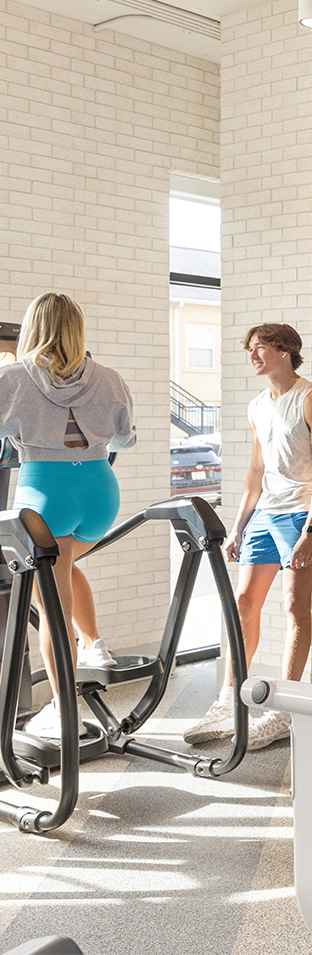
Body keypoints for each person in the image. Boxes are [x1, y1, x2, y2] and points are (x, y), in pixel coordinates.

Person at [184, 324, 312, 751]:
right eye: (250, 349)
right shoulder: (257, 406)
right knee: (244, 603)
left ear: (285, 351)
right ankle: (228, 699)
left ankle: (286, 709)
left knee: (294, 606)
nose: (253, 356)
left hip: (300, 514)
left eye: (261, 348)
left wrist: (310, 531)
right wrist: (237, 526)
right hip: (264, 514)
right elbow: (256, 472)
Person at [0, 293, 135, 738]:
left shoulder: (14, 376)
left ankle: (63, 711)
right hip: (99, 490)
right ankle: (95, 647)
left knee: (50, 604)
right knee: (65, 568)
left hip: (45, 491)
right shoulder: (109, 377)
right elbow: (123, 440)